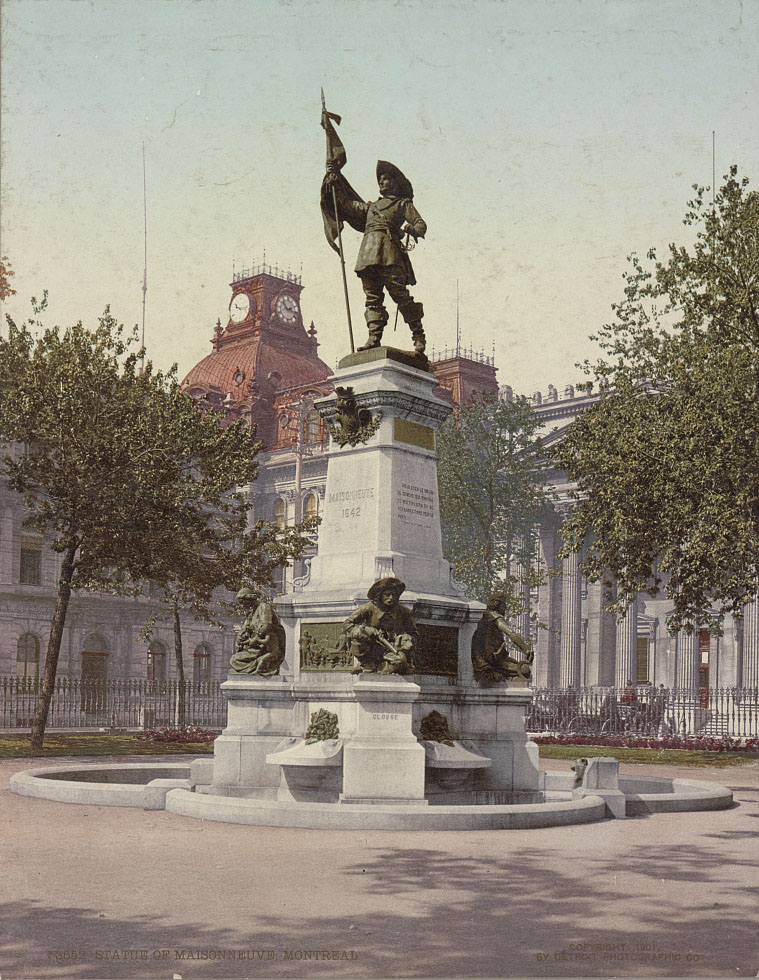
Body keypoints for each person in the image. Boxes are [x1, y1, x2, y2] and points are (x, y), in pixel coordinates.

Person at [327, 161, 427, 354]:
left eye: (386, 179)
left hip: (389, 254)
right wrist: (334, 181)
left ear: (395, 183)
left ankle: (418, 335)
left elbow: (420, 223)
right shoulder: (371, 207)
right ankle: (374, 337)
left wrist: (413, 229)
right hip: (368, 254)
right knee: (372, 298)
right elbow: (347, 206)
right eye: (380, 179)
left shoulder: (402, 204)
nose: (381, 182)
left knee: (400, 295)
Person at [339, 576, 417, 674]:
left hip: (392, 649)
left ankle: (379, 667)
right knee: (358, 634)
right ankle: (366, 663)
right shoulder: (367, 608)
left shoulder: (404, 612)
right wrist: (366, 630)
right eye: (387, 595)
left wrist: (406, 638)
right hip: (370, 648)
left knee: (400, 661)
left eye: (393, 595)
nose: (391, 598)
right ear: (379, 595)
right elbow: (347, 624)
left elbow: (414, 633)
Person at [470, 592, 534, 685]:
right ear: (496, 603)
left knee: (517, 665)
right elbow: (511, 633)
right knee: (525, 670)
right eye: (504, 604)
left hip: (492, 657)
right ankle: (506, 677)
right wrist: (526, 650)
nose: (505, 608)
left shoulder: (485, 615)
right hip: (491, 660)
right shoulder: (494, 616)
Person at [229, 591, 286, 676]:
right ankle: (255, 667)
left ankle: (258, 667)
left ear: (249, 599)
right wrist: (241, 637)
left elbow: (266, 626)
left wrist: (253, 638)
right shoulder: (252, 613)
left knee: (235, 660)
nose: (242, 605)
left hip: (264, 647)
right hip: (254, 646)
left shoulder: (264, 607)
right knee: (234, 660)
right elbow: (245, 628)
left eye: (243, 603)